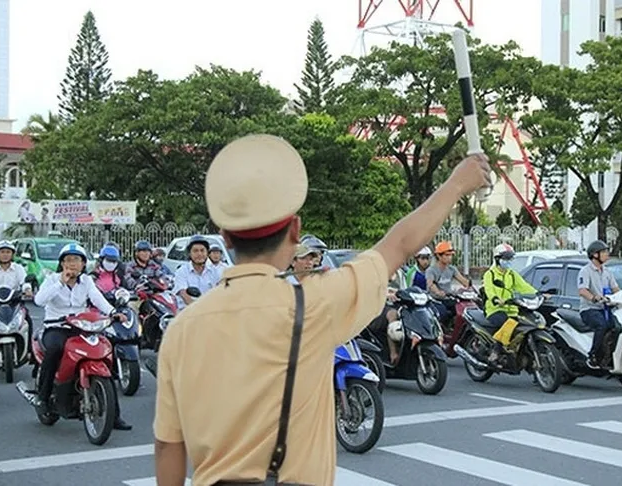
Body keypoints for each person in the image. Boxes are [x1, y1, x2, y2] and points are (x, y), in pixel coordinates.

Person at [153, 133, 491, 486]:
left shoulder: (182, 329)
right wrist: (457, 183)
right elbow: (400, 244)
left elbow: (167, 446)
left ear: (224, 236)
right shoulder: (315, 303)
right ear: (295, 230)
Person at [32, 243, 132, 430]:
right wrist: (61, 282)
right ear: (62, 263)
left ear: (83, 264)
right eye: (68, 260)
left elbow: (97, 298)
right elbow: (39, 300)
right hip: (57, 327)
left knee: (105, 350)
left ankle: (114, 416)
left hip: (82, 326)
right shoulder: (52, 279)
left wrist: (113, 312)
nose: (72, 264)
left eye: (77, 260)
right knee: (55, 350)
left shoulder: (86, 281)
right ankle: (43, 398)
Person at [482, 243, 538, 364]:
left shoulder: (512, 274)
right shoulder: (490, 274)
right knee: (508, 323)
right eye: (506, 258)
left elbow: (524, 286)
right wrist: (496, 299)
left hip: (512, 309)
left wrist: (537, 294)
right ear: (498, 259)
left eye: (510, 258)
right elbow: (489, 290)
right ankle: (496, 350)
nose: (508, 261)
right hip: (495, 309)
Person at [578, 240, 620, 370]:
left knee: (618, 327)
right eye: (604, 252)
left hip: (606, 308)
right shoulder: (585, 271)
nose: (607, 254)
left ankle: (609, 356)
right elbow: (582, 290)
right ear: (595, 255)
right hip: (590, 309)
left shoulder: (607, 272)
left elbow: (615, 289)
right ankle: (593, 355)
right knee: (602, 325)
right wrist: (594, 298)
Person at [0, 240, 34, 356]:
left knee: (28, 320)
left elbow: (25, 283)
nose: (5, 254)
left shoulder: (18, 268)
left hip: (14, 302)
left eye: (8, 252)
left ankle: (30, 351)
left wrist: (28, 290)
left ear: (12, 254)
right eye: (2, 252)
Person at [426, 241, 470, 322]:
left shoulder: (452, 269)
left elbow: (463, 281)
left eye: (451, 255)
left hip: (449, 298)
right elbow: (431, 284)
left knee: (462, 311)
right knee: (443, 313)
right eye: (447, 255)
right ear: (439, 256)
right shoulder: (431, 270)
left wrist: (469, 286)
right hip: (435, 300)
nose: (450, 257)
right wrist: (438, 292)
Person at [173, 235, 221, 310]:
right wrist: (200, 310)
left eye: (202, 250)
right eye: (195, 251)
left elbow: (220, 292)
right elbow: (184, 294)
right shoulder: (181, 271)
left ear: (207, 253)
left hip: (210, 311)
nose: (199, 254)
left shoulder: (214, 271)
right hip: (187, 312)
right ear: (189, 253)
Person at [124, 240, 164, 315]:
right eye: (143, 251)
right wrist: (138, 286)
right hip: (137, 297)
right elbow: (128, 280)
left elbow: (161, 276)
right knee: (132, 309)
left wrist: (166, 282)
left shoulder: (154, 265)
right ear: (136, 253)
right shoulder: (130, 266)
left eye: (148, 251)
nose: (146, 253)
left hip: (154, 295)